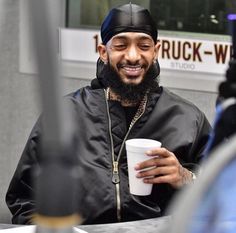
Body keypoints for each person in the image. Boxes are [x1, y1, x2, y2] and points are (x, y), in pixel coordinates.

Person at [6, 3, 211, 225]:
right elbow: (24, 199)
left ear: (155, 52)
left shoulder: (187, 119)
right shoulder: (64, 116)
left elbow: (225, 195)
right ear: (104, 52)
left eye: (144, 46)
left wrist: (187, 178)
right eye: (121, 45)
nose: (133, 56)